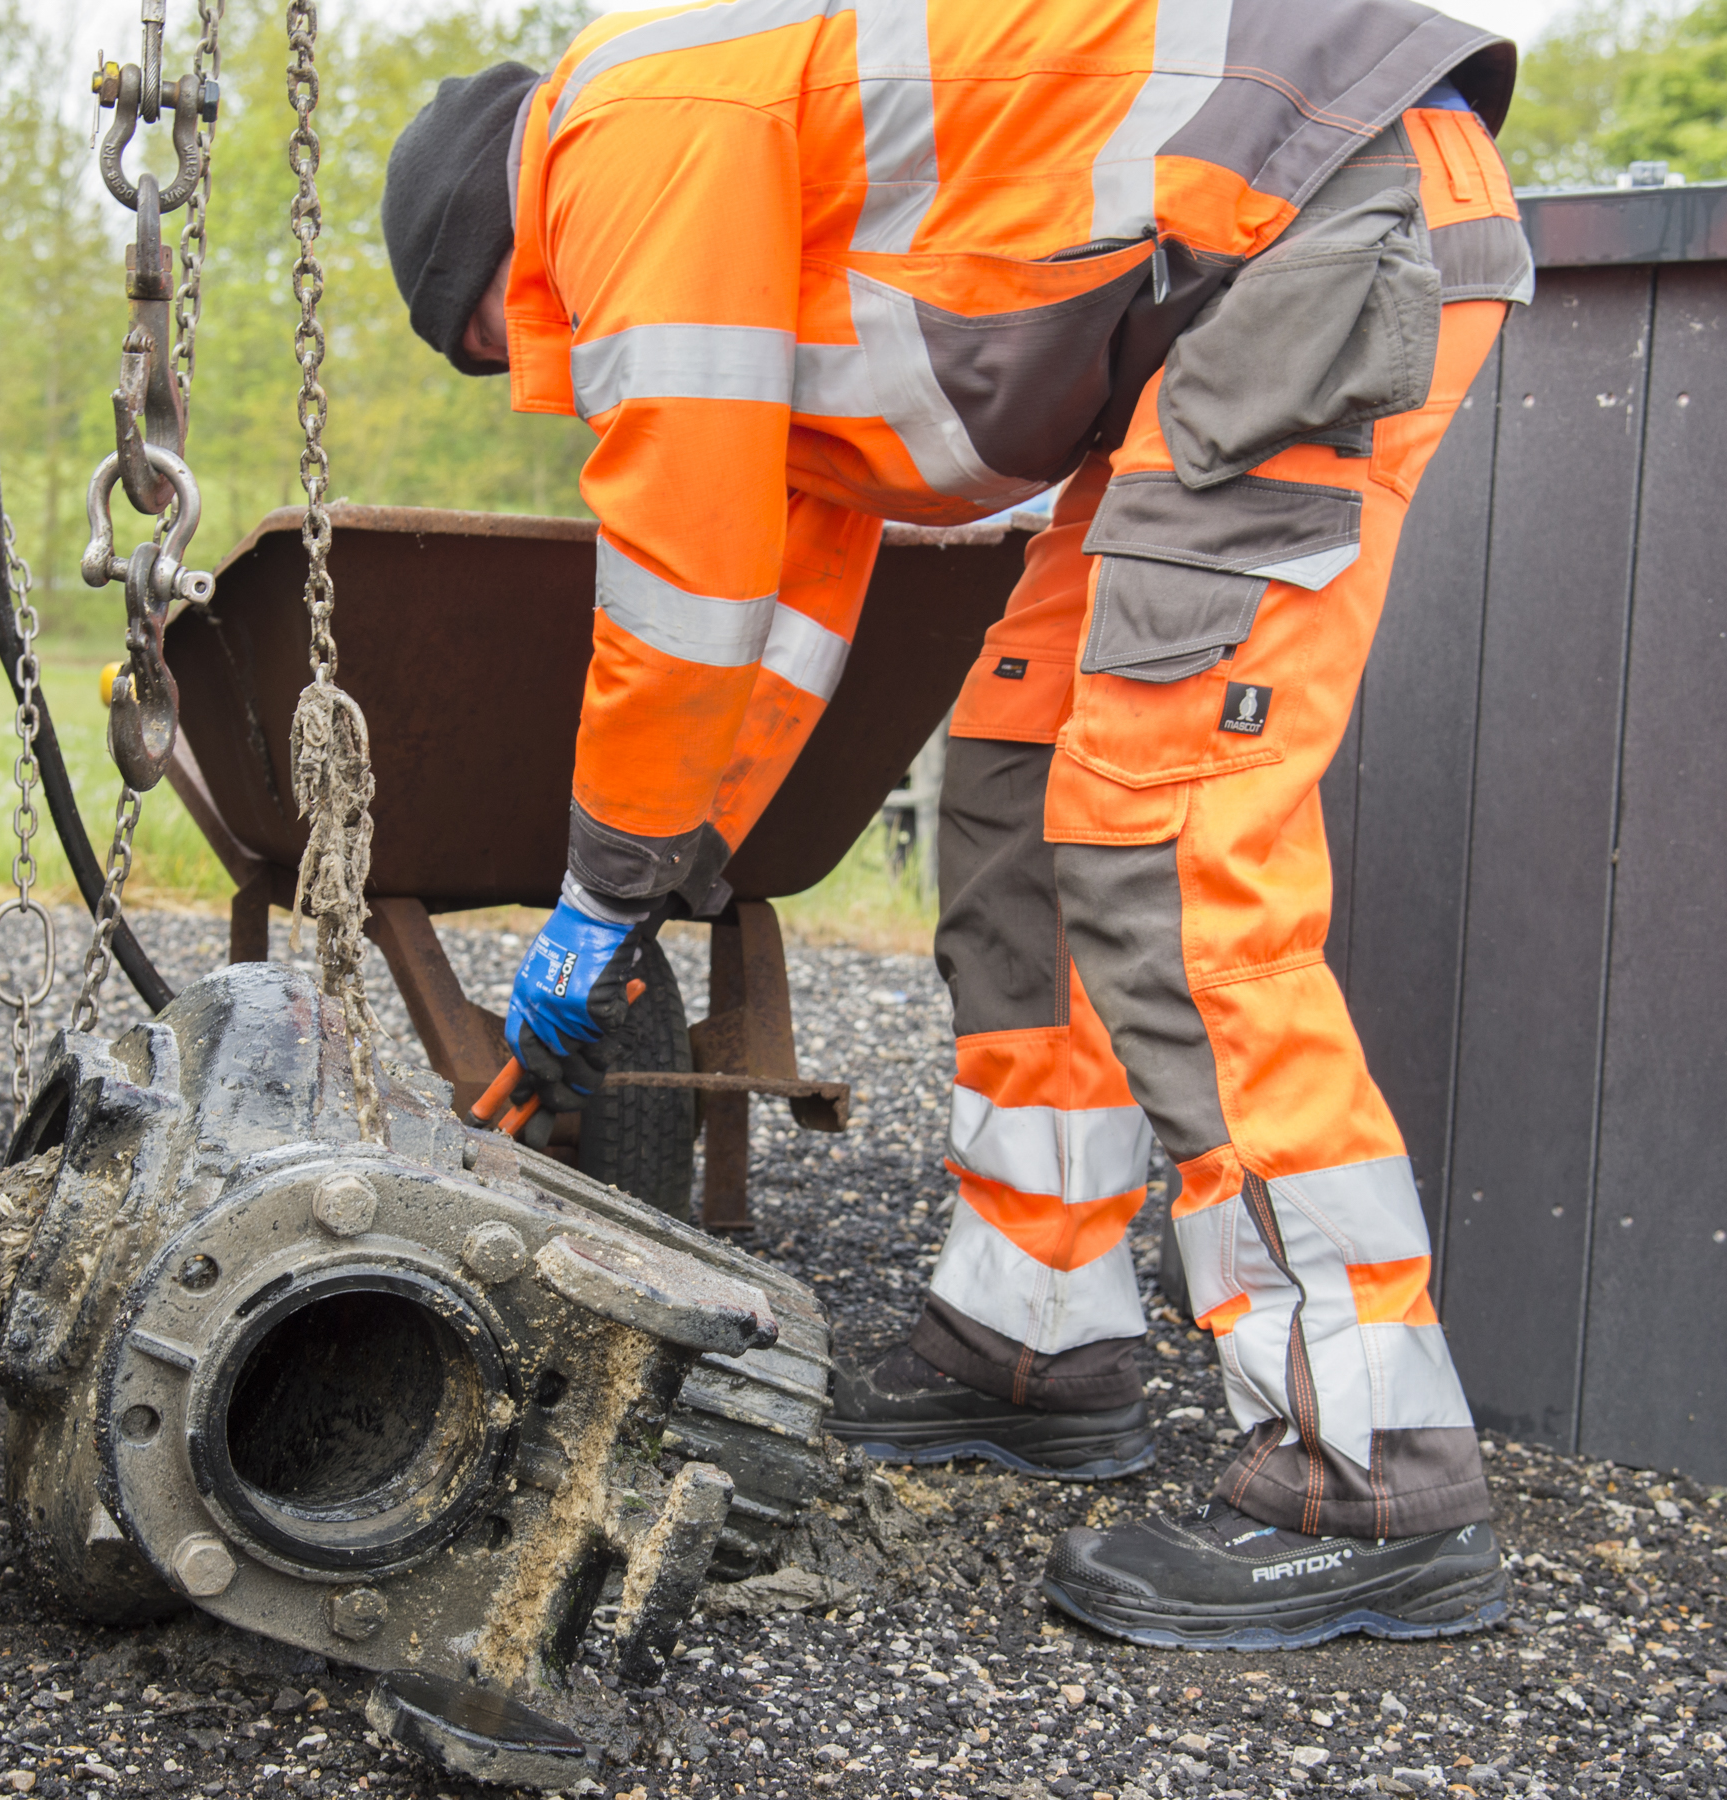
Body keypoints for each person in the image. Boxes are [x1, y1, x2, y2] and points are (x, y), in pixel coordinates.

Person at [381, 0, 1532, 1648]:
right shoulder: (719, 183)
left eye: (503, 343)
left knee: (1166, 835)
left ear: (490, 255)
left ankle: (1368, 1462)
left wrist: (594, 890)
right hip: (1219, 298)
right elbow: (776, 605)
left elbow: (682, 580)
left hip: (1318, 212)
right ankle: (1040, 1331)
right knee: (1011, 781)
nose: (540, 376)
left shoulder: (617, 141)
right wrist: (658, 879)